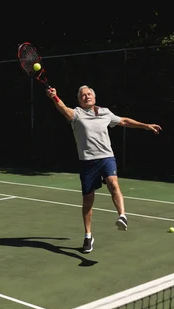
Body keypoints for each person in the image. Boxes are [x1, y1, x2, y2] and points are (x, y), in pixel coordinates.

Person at [46, 85, 161, 253]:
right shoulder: (76, 114)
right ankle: (88, 236)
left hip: (106, 157)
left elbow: (123, 121)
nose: (87, 96)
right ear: (79, 100)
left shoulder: (105, 112)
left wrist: (145, 125)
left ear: (94, 97)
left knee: (113, 183)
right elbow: (63, 109)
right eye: (83, 95)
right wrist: (54, 97)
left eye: (89, 94)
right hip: (87, 162)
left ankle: (122, 216)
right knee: (88, 201)